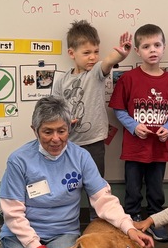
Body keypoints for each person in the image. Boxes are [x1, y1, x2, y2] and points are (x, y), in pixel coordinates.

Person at [0, 96, 154, 248]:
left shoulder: (80, 157)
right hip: (21, 235)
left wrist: (129, 228)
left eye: (61, 131)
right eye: (47, 132)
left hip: (63, 233)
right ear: (34, 130)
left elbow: (103, 200)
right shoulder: (18, 160)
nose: (56, 139)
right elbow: (13, 215)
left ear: (69, 128)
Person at [109, 23, 168, 242]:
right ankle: (131, 221)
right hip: (134, 149)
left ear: (164, 47)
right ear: (137, 51)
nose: (153, 50)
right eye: (146, 46)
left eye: (157, 45)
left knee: (156, 190)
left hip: (158, 148)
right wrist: (133, 126)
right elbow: (118, 109)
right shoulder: (128, 79)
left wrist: (167, 128)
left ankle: (155, 221)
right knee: (132, 189)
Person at [50, 19, 132, 177]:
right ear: (72, 53)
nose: (93, 57)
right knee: (69, 184)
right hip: (68, 142)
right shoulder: (62, 81)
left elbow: (108, 61)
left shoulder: (95, 73)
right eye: (86, 53)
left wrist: (121, 54)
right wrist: (64, 121)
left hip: (94, 141)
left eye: (96, 51)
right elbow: (55, 109)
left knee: (96, 186)